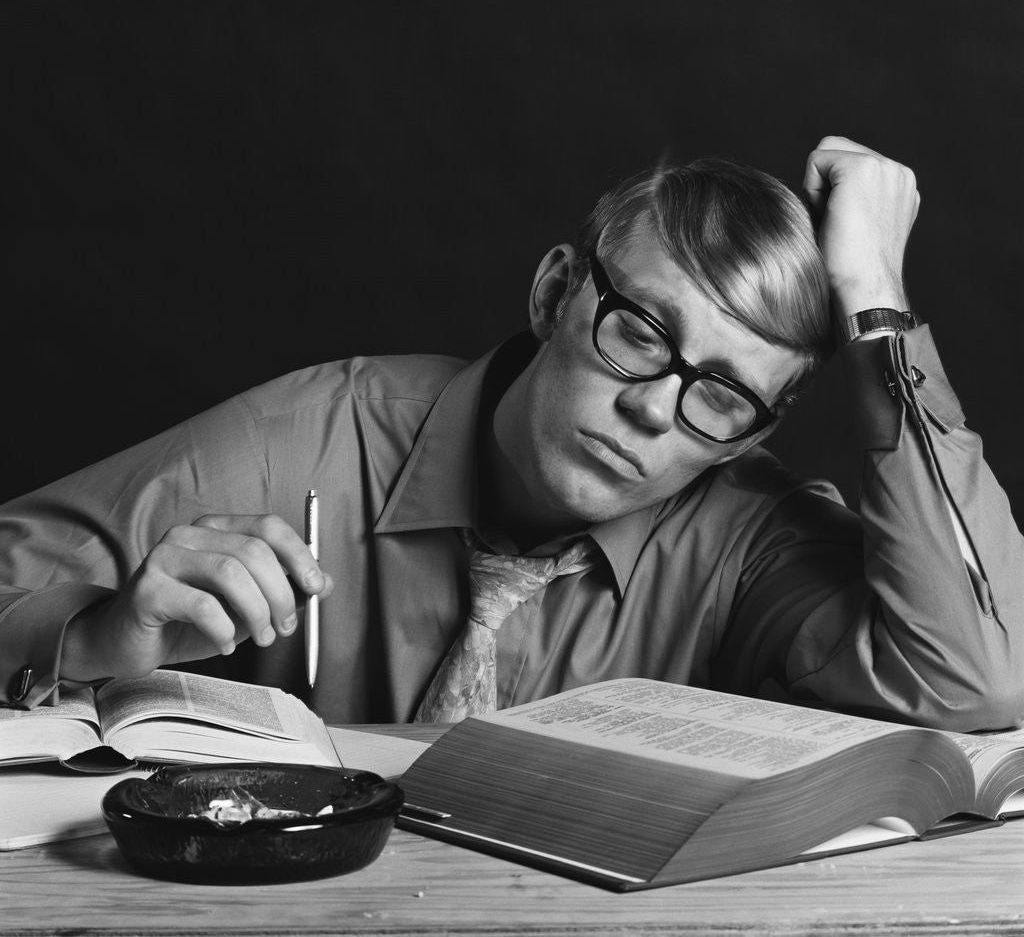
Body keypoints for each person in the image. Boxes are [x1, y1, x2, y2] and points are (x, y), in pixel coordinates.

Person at [2, 136, 1022, 731]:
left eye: (721, 395)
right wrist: (97, 633)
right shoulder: (309, 435)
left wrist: (875, 310)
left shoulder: (751, 539)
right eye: (639, 333)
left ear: (753, 426)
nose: (655, 410)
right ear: (553, 292)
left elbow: (981, 680)